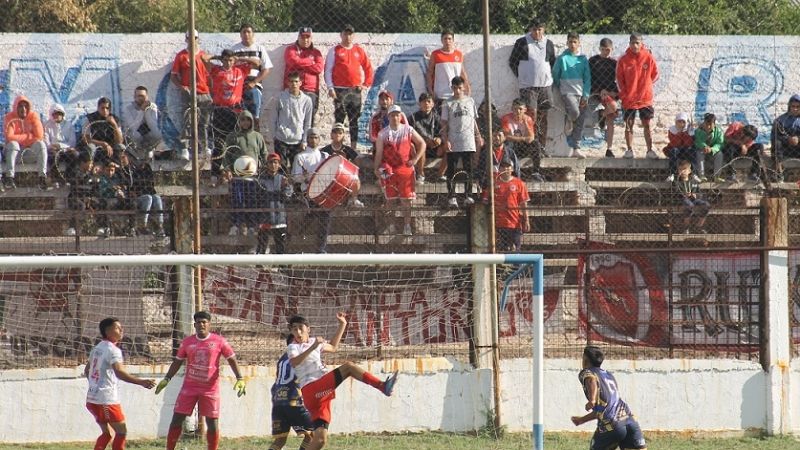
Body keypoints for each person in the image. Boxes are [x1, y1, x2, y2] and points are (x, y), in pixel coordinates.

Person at [286, 313, 398, 450]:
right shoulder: (293, 347)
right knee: (348, 367)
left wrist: (342, 324)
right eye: (294, 329)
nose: (297, 332)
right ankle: (382, 386)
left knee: (320, 439)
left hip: (320, 398)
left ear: (308, 329)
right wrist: (313, 346)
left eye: (300, 328)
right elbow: (294, 362)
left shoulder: (314, 342)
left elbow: (333, 347)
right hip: (312, 389)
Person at [154, 311, 246, 450]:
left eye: (204, 322)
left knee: (212, 423)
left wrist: (240, 378)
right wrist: (167, 378)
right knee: (176, 419)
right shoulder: (187, 342)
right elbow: (177, 362)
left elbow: (231, 359)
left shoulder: (219, 341)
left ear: (209, 324)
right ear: (194, 324)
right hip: (189, 388)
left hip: (210, 389)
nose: (201, 324)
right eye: (199, 322)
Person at [84, 317, 156, 450]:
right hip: (106, 400)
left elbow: (87, 370)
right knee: (121, 432)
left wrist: (95, 385)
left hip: (92, 399)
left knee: (107, 434)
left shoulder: (96, 348)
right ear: (107, 331)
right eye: (117, 328)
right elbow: (119, 372)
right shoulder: (113, 350)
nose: (121, 330)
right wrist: (141, 382)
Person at [571, 346, 648, 450]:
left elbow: (591, 380)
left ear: (585, 359)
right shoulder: (609, 375)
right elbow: (602, 410)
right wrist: (581, 420)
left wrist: (592, 399)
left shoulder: (586, 372)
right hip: (630, 421)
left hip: (611, 426)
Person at [374, 105, 426, 236]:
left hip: (405, 169)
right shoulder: (383, 133)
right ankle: (390, 226)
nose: (395, 117)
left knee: (406, 200)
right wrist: (376, 169)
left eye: (397, 115)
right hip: (389, 169)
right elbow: (379, 153)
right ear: (388, 117)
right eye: (392, 115)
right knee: (390, 200)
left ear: (401, 116)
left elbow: (422, 144)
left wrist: (415, 159)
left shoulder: (408, 129)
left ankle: (407, 226)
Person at [508, 17, 556, 152]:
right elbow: (513, 62)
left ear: (544, 30)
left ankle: (541, 147)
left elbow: (552, 62)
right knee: (531, 115)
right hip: (528, 87)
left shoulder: (549, 43)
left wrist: (545, 75)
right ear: (530, 30)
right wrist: (523, 76)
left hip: (545, 86)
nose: (537, 32)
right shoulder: (522, 43)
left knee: (543, 116)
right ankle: (530, 146)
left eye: (540, 30)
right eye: (534, 30)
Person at [324, 23, 374, 148]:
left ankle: (353, 148)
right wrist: (330, 87)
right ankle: (337, 146)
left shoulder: (359, 50)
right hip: (340, 90)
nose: (348, 37)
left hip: (355, 90)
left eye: (350, 34)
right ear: (341, 35)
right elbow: (328, 70)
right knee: (339, 120)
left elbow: (368, 68)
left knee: (354, 120)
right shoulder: (335, 50)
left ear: (354, 35)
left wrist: (365, 84)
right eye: (345, 34)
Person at [222, 110, 269, 237]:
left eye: (248, 120)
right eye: (243, 120)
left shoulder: (257, 137)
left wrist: (264, 168)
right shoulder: (232, 137)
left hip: (253, 177)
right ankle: (236, 225)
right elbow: (226, 155)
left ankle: (251, 225)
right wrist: (227, 170)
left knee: (252, 200)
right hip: (237, 176)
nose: (245, 122)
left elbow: (264, 153)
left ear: (252, 121)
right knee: (237, 200)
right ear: (239, 121)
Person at [170, 29, 213, 161]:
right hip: (188, 93)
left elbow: (210, 73)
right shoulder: (181, 56)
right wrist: (181, 87)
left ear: (197, 39)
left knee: (204, 123)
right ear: (186, 39)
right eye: (189, 38)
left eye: (194, 38)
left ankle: (204, 147)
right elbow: (174, 75)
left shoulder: (203, 55)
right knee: (186, 121)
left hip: (203, 92)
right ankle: (185, 148)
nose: (192, 41)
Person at [441, 76, 483, 208]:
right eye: (455, 88)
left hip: (468, 141)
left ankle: (468, 195)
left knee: (468, 169)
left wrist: (478, 136)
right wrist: (446, 140)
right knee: (452, 170)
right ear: (451, 88)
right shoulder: (447, 103)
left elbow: (473, 120)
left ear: (464, 87)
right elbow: (444, 124)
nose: (457, 91)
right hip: (454, 141)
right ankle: (452, 197)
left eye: (460, 88)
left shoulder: (470, 101)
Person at [616, 33, 659, 159]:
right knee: (629, 125)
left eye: (637, 43)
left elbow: (655, 74)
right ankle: (629, 150)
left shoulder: (648, 57)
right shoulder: (623, 60)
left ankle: (650, 151)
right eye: (632, 43)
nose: (635, 45)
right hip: (629, 99)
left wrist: (646, 86)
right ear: (629, 44)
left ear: (641, 43)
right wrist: (625, 94)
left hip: (645, 98)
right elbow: (619, 79)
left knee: (647, 125)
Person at [268, 335, 313, 450]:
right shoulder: (300, 357)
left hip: (278, 401)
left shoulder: (282, 359)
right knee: (314, 435)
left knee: (280, 440)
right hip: (294, 401)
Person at [209, 49, 247, 181]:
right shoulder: (216, 71)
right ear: (222, 59)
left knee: (234, 142)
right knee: (219, 143)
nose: (228, 63)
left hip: (235, 111)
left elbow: (257, 63)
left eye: (231, 60)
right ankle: (215, 173)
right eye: (225, 60)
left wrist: (240, 58)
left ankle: (232, 171)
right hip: (220, 110)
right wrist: (217, 56)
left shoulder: (240, 70)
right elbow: (204, 59)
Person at [552, 32, 591, 158]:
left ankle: (576, 147)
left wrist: (585, 95)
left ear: (579, 43)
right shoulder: (562, 58)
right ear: (567, 43)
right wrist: (561, 86)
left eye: (575, 42)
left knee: (580, 121)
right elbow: (555, 74)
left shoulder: (583, 59)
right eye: (570, 42)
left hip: (581, 92)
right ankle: (569, 119)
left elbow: (587, 78)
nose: (572, 44)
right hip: (567, 91)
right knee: (574, 113)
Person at [292, 128, 331, 253]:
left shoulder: (325, 156)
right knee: (320, 216)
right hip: (307, 193)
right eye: (311, 137)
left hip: (323, 192)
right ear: (307, 139)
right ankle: (302, 238)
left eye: (316, 137)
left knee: (324, 218)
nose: (313, 140)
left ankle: (320, 248)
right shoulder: (300, 157)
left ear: (319, 139)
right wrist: (308, 177)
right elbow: (296, 177)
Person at [229, 23, 273, 131]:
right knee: (239, 116)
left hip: (254, 86)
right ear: (240, 34)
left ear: (253, 34)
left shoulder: (259, 49)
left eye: (249, 32)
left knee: (254, 116)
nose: (246, 34)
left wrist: (254, 82)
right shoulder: (234, 49)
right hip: (238, 87)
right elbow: (229, 68)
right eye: (244, 32)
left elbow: (266, 69)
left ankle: (255, 140)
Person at [3, 94, 47, 190]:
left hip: (28, 154)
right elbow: (9, 137)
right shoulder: (9, 117)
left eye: (25, 106)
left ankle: (42, 178)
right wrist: (30, 136)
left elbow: (39, 136)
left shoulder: (33, 117)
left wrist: (20, 138)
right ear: (15, 107)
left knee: (41, 144)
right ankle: (9, 178)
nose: (23, 109)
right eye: (20, 106)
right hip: (15, 155)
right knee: (13, 144)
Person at [118, 150, 166, 237]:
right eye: (140, 159)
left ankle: (160, 227)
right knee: (148, 198)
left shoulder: (147, 168)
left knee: (157, 198)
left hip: (147, 193)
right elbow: (129, 186)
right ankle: (142, 225)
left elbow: (150, 185)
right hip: (136, 197)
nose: (142, 162)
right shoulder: (129, 169)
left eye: (144, 159)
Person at [273, 71, 314, 172]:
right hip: (281, 139)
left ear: (300, 83)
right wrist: (274, 134)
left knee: (296, 171)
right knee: (281, 169)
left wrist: (304, 141)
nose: (293, 84)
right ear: (287, 83)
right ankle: (281, 187)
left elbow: (307, 122)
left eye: (296, 81)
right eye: (291, 81)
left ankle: (295, 188)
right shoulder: (280, 97)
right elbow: (273, 117)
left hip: (297, 140)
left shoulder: (307, 100)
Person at [319, 122, 364, 207]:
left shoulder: (347, 149)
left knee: (356, 179)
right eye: (335, 132)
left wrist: (352, 166)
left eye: (340, 133)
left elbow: (357, 159)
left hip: (344, 176)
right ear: (331, 135)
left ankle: (354, 200)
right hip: (329, 176)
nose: (337, 135)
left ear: (343, 135)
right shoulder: (325, 150)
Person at [588, 38, 620, 158]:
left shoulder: (614, 63)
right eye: (603, 50)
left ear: (611, 49)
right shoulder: (593, 61)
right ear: (600, 49)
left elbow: (618, 80)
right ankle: (602, 114)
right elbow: (589, 78)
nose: (606, 52)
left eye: (608, 50)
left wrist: (614, 92)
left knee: (611, 119)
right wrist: (598, 90)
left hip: (610, 92)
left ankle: (609, 148)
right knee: (613, 107)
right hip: (598, 92)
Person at [284, 26, 323, 121]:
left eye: (308, 37)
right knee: (293, 119)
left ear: (311, 38)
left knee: (309, 120)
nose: (305, 40)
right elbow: (293, 62)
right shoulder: (290, 49)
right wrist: (310, 61)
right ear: (298, 37)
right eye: (303, 37)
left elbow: (319, 68)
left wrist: (300, 63)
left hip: (311, 90)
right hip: (293, 89)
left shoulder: (316, 52)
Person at [255, 153, 292, 255]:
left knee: (281, 246)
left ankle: (282, 268)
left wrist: (285, 187)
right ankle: (261, 267)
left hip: (280, 218)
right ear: (267, 164)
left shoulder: (283, 179)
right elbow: (257, 198)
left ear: (279, 164)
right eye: (270, 162)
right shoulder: (261, 180)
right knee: (262, 245)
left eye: (275, 162)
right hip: (265, 218)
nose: (273, 165)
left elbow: (288, 197)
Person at [426, 29, 470, 113]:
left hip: (456, 93)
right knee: (442, 121)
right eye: (445, 38)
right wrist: (430, 90)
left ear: (453, 40)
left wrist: (467, 87)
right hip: (441, 95)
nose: (447, 41)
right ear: (442, 40)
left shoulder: (459, 54)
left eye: (449, 39)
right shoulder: (436, 54)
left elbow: (462, 72)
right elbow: (429, 73)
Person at [492, 159, 530, 252]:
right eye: (503, 167)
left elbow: (523, 203)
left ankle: (517, 266)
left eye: (508, 167)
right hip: (498, 223)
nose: (505, 169)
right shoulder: (494, 183)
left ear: (512, 169)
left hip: (514, 222)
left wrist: (526, 220)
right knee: (500, 250)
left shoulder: (519, 183)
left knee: (515, 249)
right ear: (499, 169)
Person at [408, 92, 445, 183]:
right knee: (421, 145)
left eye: (429, 101)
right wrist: (425, 141)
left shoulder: (437, 117)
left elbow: (443, 131)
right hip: (420, 148)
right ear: (419, 104)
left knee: (449, 147)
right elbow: (410, 135)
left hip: (434, 147)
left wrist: (439, 139)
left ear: (433, 104)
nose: (426, 104)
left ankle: (441, 174)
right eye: (424, 102)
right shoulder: (413, 118)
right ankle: (420, 174)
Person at [81, 97, 127, 167]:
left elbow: (120, 141)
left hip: (111, 146)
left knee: (121, 147)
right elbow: (85, 139)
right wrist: (103, 144)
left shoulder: (115, 119)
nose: (105, 110)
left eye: (107, 108)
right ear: (98, 108)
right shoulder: (89, 118)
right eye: (102, 108)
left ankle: (122, 170)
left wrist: (114, 125)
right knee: (91, 147)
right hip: (95, 145)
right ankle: (90, 168)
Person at [121, 86, 162, 158]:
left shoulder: (152, 106)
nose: (140, 98)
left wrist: (148, 111)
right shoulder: (128, 108)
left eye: (143, 96)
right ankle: (139, 153)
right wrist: (142, 111)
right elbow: (133, 127)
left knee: (158, 134)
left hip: (147, 131)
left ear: (147, 97)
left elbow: (153, 126)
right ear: (134, 97)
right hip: (134, 133)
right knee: (136, 135)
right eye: (138, 96)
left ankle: (150, 149)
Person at [476, 128, 520, 194]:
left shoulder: (510, 153)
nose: (497, 138)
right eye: (494, 136)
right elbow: (481, 171)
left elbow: (516, 169)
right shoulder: (485, 153)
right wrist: (483, 186)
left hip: (506, 185)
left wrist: (516, 184)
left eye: (499, 135)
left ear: (504, 137)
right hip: (490, 186)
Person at [64, 152, 99, 236]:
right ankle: (72, 228)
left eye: (92, 164)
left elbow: (94, 189)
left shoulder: (90, 174)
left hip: (87, 198)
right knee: (80, 205)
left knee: (100, 203)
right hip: (76, 197)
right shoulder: (75, 172)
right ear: (83, 163)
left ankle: (102, 227)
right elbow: (77, 186)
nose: (91, 166)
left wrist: (90, 198)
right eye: (89, 164)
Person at [43, 103, 78, 186]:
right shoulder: (47, 125)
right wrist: (51, 146)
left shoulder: (69, 125)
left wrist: (61, 146)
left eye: (59, 113)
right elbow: (46, 140)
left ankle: (69, 178)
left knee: (74, 154)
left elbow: (72, 142)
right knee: (53, 155)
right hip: (53, 150)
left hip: (66, 150)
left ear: (62, 114)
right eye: (55, 114)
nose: (57, 116)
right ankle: (56, 179)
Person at [675, 159, 710, 234]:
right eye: (680, 169)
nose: (682, 171)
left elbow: (700, 193)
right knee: (689, 205)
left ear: (689, 171)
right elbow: (675, 193)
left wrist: (695, 195)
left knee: (706, 205)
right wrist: (684, 195)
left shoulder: (693, 181)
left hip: (694, 199)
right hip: (683, 200)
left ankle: (699, 226)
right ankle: (686, 227)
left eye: (684, 169)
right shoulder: (677, 182)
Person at [96, 160, 128, 238]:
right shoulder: (102, 179)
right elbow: (102, 192)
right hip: (107, 199)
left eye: (112, 170)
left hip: (118, 199)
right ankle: (107, 228)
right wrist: (113, 189)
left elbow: (126, 182)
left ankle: (127, 227)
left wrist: (119, 168)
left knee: (128, 203)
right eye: (108, 170)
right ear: (104, 170)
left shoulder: (117, 178)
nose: (110, 172)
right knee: (108, 203)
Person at [500, 98, 536, 166]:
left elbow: (531, 138)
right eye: (515, 109)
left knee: (536, 144)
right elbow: (507, 137)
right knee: (508, 143)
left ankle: (536, 171)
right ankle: (507, 164)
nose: (518, 111)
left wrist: (525, 123)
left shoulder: (528, 119)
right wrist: (524, 138)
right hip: (512, 145)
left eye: (520, 109)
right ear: (512, 109)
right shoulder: (506, 118)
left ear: (525, 110)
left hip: (523, 146)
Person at [772, 94, 800, 182]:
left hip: (798, 148)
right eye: (793, 106)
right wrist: (788, 139)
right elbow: (775, 135)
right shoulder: (780, 120)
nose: (795, 109)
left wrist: (798, 139)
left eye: (798, 107)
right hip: (785, 149)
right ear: (789, 106)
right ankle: (778, 172)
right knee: (777, 142)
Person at [663, 112, 694, 182]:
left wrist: (687, 132)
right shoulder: (672, 130)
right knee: (674, 150)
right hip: (676, 149)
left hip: (685, 149)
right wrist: (680, 133)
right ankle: (672, 174)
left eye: (683, 122)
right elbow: (675, 143)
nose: (681, 124)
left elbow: (688, 143)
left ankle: (694, 173)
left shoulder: (690, 130)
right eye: (679, 121)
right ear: (676, 122)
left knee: (691, 150)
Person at [693, 113, 724, 182]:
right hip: (702, 150)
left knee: (720, 154)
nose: (708, 127)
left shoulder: (719, 131)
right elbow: (698, 141)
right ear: (704, 123)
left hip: (713, 151)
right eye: (707, 124)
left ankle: (717, 176)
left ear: (714, 124)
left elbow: (720, 143)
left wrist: (712, 149)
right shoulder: (698, 130)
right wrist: (704, 146)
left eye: (711, 125)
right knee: (699, 153)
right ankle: (701, 176)